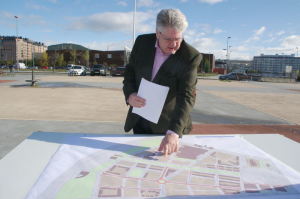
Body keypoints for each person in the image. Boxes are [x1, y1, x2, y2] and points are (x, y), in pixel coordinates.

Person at [123, 8, 202, 156]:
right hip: (139, 120)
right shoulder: (142, 43)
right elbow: (130, 72)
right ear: (157, 33)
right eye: (168, 39)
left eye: (178, 39)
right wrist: (130, 94)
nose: (174, 45)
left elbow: (187, 96)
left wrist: (173, 133)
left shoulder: (190, 56)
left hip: (168, 126)